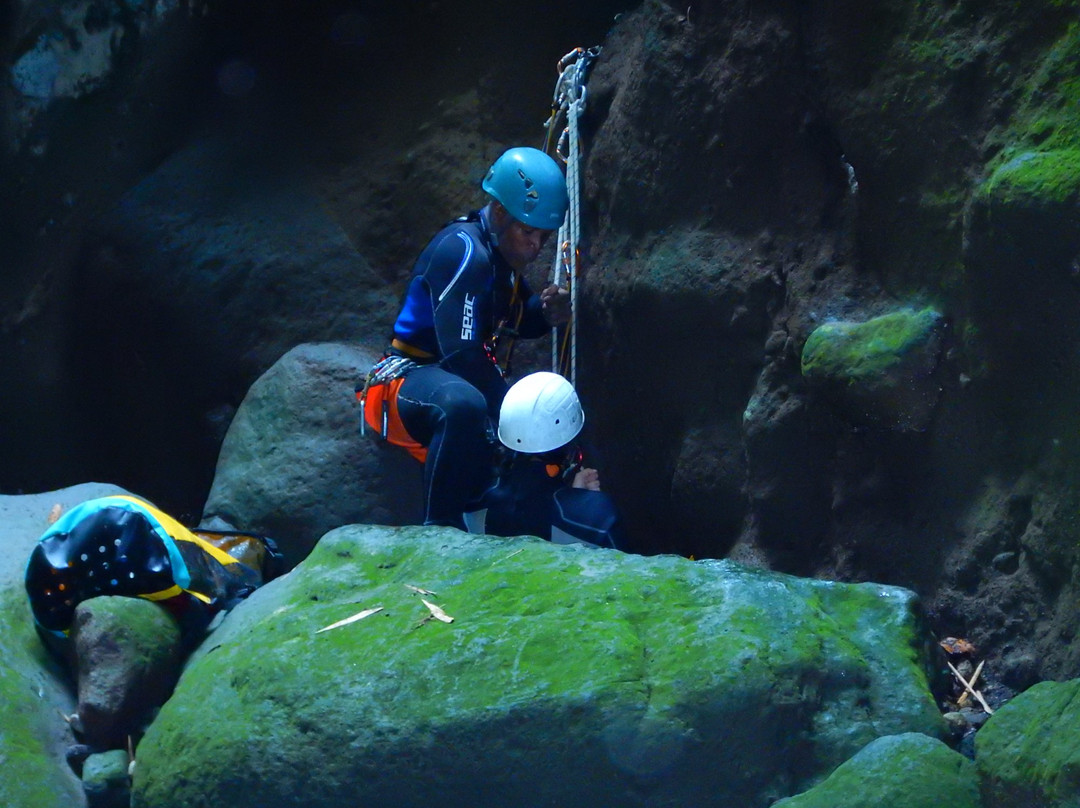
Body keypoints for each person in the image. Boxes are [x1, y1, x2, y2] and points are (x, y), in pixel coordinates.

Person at [360, 147, 572, 529]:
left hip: (443, 382)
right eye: (528, 232)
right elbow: (461, 354)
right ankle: (439, 530)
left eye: (544, 236)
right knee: (465, 403)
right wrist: (511, 413)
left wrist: (546, 311)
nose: (536, 246)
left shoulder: (499, 260)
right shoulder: (465, 251)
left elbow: (519, 319)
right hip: (405, 381)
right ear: (501, 212)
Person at [464, 372, 626, 550]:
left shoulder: (475, 497)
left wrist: (573, 495)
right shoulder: (597, 516)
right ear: (570, 444)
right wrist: (580, 500)